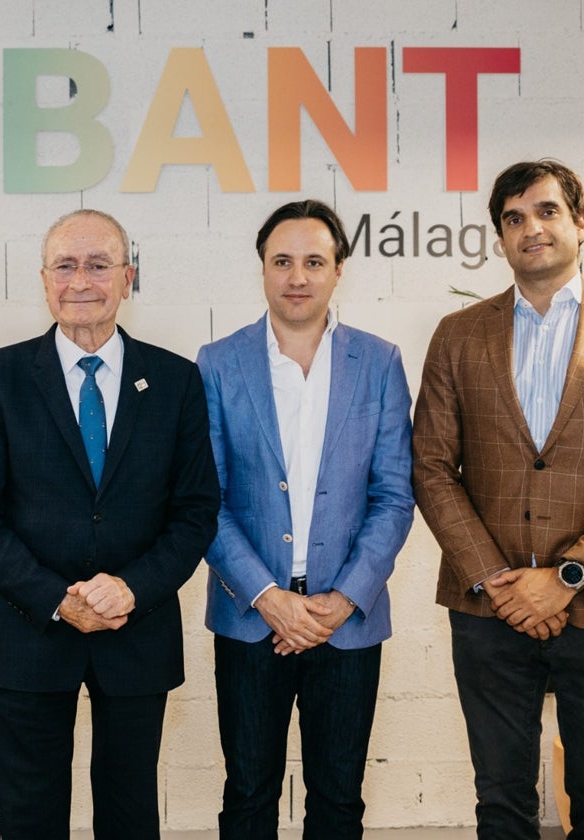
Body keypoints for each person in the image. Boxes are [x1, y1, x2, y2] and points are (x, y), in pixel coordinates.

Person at [0, 208, 220, 840]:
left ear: (127, 276)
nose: (81, 280)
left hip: (136, 630)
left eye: (99, 264)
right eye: (65, 265)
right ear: (44, 280)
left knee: (130, 813)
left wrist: (132, 588)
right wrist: (55, 598)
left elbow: (194, 510)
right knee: (29, 816)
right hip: (27, 632)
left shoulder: (177, 380)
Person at [413, 159, 584, 839]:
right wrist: (500, 582)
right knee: (500, 807)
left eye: (548, 212)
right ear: (499, 236)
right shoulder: (457, 334)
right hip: (487, 612)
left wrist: (566, 578)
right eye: (515, 218)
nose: (533, 229)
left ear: (581, 223)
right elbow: (431, 467)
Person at [197, 199, 414, 839]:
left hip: (345, 623)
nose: (298, 276)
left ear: (338, 270)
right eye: (282, 261)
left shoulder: (379, 362)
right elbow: (206, 499)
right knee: (248, 797)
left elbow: (394, 495)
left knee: (340, 800)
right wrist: (269, 598)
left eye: (314, 262)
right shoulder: (218, 362)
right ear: (262, 269)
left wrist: (342, 600)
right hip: (249, 618)